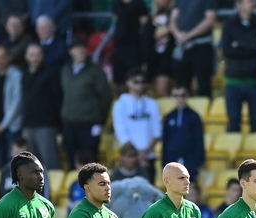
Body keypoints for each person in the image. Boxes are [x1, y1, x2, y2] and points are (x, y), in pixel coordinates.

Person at [60, 38, 113, 169]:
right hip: (69, 122)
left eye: (83, 48)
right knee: (71, 156)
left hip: (89, 123)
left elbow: (106, 96)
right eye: (77, 48)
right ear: (71, 52)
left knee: (90, 157)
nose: (81, 51)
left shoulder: (95, 71)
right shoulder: (65, 70)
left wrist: (99, 118)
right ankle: (75, 187)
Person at [222, 0, 256, 133]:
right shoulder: (229, 25)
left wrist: (239, 44)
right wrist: (253, 45)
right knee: (234, 121)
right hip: (233, 81)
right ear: (239, 5)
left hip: (254, 80)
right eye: (249, 1)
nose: (252, 4)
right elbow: (227, 50)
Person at [112, 67, 162, 182]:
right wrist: (138, 155)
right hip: (129, 159)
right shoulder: (120, 104)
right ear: (128, 83)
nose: (140, 85)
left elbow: (157, 131)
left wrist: (144, 153)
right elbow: (121, 132)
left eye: (142, 81)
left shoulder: (152, 103)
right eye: (136, 81)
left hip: (148, 157)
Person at [21, 43, 62, 170]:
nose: (35, 58)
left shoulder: (51, 73)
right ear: (26, 57)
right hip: (28, 124)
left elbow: (58, 99)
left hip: (46, 125)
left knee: (50, 163)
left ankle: (53, 190)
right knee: (30, 164)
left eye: (38, 55)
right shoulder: (23, 74)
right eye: (32, 55)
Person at [170, 0, 219, 97]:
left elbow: (209, 19)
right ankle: (183, 111)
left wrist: (188, 36)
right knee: (181, 85)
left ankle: (204, 110)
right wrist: (177, 34)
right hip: (183, 46)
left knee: (203, 84)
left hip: (201, 46)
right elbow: (172, 19)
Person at [161, 85, 205, 178]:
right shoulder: (169, 117)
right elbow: (165, 141)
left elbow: (199, 139)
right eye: (176, 95)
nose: (179, 98)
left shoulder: (194, 116)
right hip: (172, 159)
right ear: (172, 97)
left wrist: (198, 161)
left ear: (187, 96)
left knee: (190, 187)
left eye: (182, 95)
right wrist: (164, 162)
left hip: (190, 159)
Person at [111, 0, 149, 93]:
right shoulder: (117, 3)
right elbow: (116, 19)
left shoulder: (139, 4)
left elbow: (144, 24)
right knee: (119, 79)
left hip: (134, 46)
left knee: (135, 77)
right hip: (119, 46)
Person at [144, 3, 175, 98]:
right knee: (157, 94)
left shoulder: (176, 13)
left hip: (168, 58)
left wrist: (169, 29)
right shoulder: (150, 16)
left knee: (162, 92)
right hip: (153, 58)